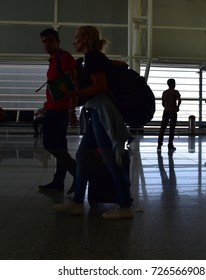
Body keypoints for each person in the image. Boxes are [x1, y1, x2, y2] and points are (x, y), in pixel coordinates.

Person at [54, 25, 133, 220]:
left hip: (102, 113)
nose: (73, 42)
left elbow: (100, 86)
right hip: (96, 111)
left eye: (77, 37)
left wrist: (74, 94)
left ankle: (125, 206)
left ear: (86, 39)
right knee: (82, 155)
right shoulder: (94, 58)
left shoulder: (93, 56)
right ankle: (78, 202)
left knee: (110, 159)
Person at [37, 28, 78, 193]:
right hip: (54, 108)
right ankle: (58, 181)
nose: (46, 44)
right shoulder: (54, 60)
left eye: (50, 41)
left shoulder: (65, 58)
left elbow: (74, 84)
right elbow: (57, 88)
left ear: (58, 42)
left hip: (60, 110)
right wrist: (46, 106)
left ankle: (78, 172)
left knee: (49, 143)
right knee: (60, 146)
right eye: (44, 42)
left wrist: (71, 110)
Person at [157, 78, 182, 151]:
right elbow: (179, 99)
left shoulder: (165, 92)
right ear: (173, 84)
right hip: (173, 112)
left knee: (162, 128)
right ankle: (170, 144)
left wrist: (167, 107)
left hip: (166, 111)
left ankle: (159, 144)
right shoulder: (175, 92)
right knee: (172, 129)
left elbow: (163, 103)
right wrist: (177, 106)